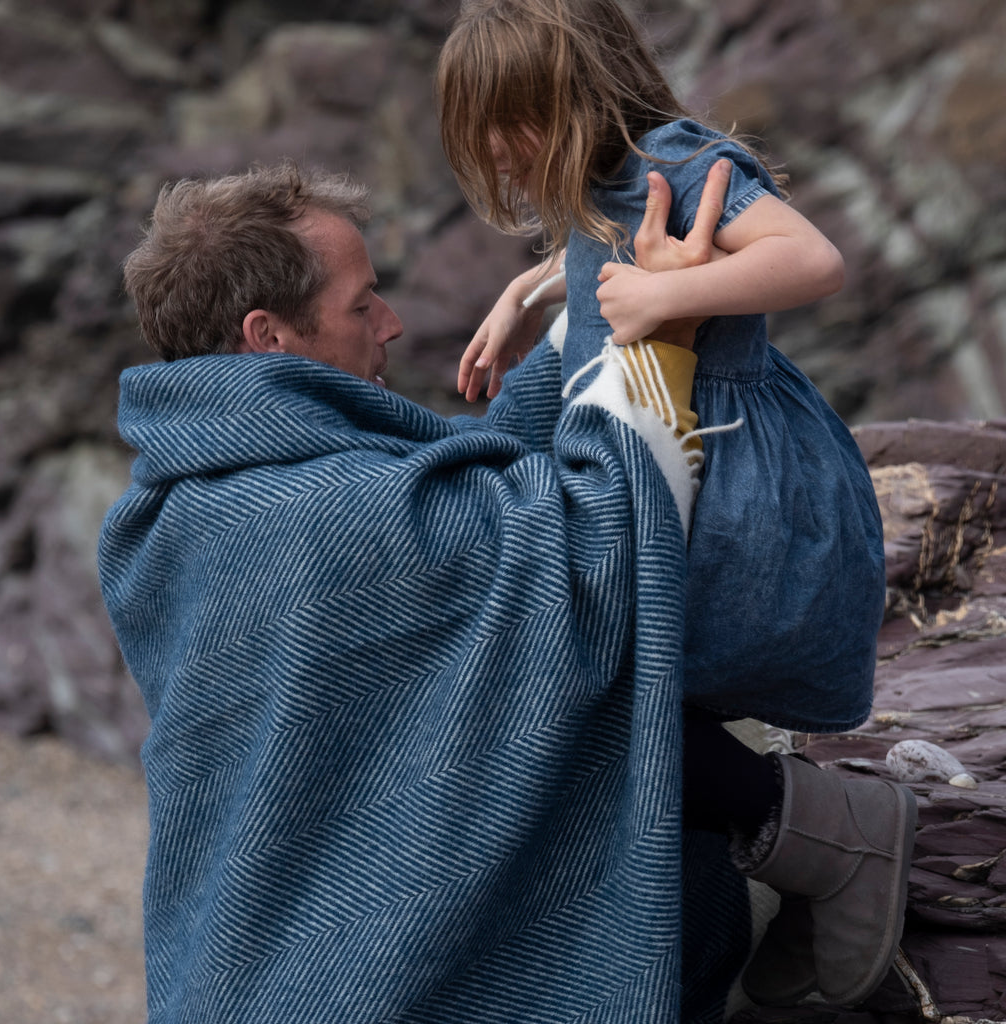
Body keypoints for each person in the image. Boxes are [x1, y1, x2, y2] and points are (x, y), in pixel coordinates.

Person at [99, 159, 751, 1024]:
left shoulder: (167, 514)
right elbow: (601, 544)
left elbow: (455, 484)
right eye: (361, 304)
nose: (392, 324)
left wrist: (588, 311)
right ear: (268, 335)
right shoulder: (331, 516)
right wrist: (662, 337)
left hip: (232, 980)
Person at [436, 0, 915, 1009]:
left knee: (600, 686)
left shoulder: (683, 159)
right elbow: (603, 243)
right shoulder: (609, 174)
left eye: (509, 123)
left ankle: (834, 838)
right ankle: (758, 882)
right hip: (654, 452)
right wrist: (527, 294)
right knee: (606, 690)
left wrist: (663, 301)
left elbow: (812, 259)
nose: (498, 151)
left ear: (574, 95)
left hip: (720, 476)